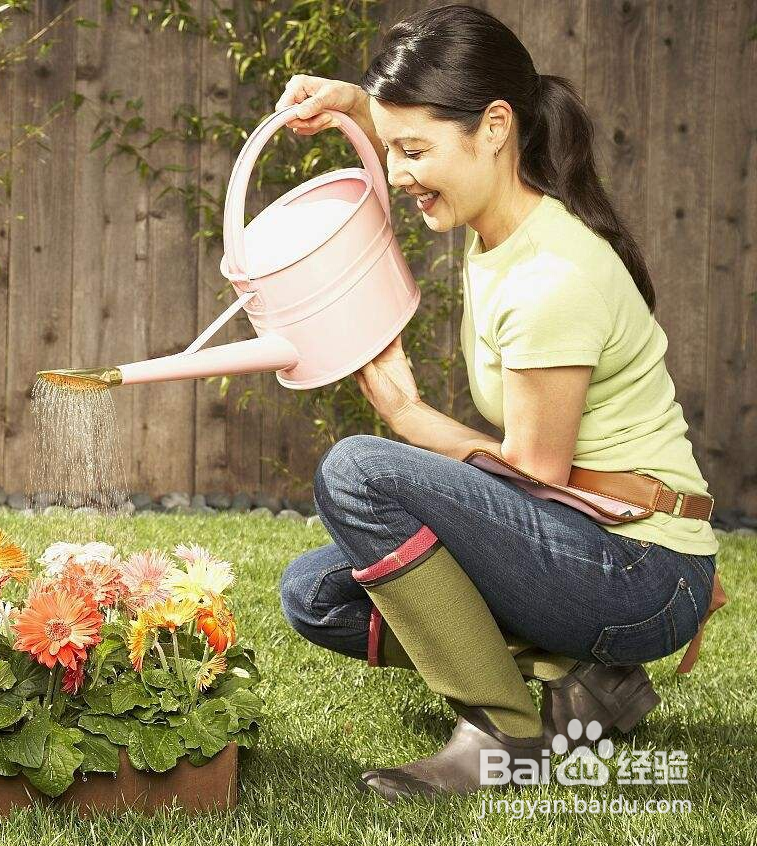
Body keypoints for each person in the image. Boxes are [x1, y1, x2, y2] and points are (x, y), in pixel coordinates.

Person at [275, 4, 720, 802]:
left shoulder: (553, 276)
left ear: (495, 128)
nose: (400, 172)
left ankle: (503, 732)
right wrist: (353, 105)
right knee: (315, 594)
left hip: (644, 570)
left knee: (358, 472)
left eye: (414, 151)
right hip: (588, 536)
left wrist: (410, 423)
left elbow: (533, 471)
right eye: (392, 147)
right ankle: (581, 683)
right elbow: (430, 131)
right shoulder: (501, 222)